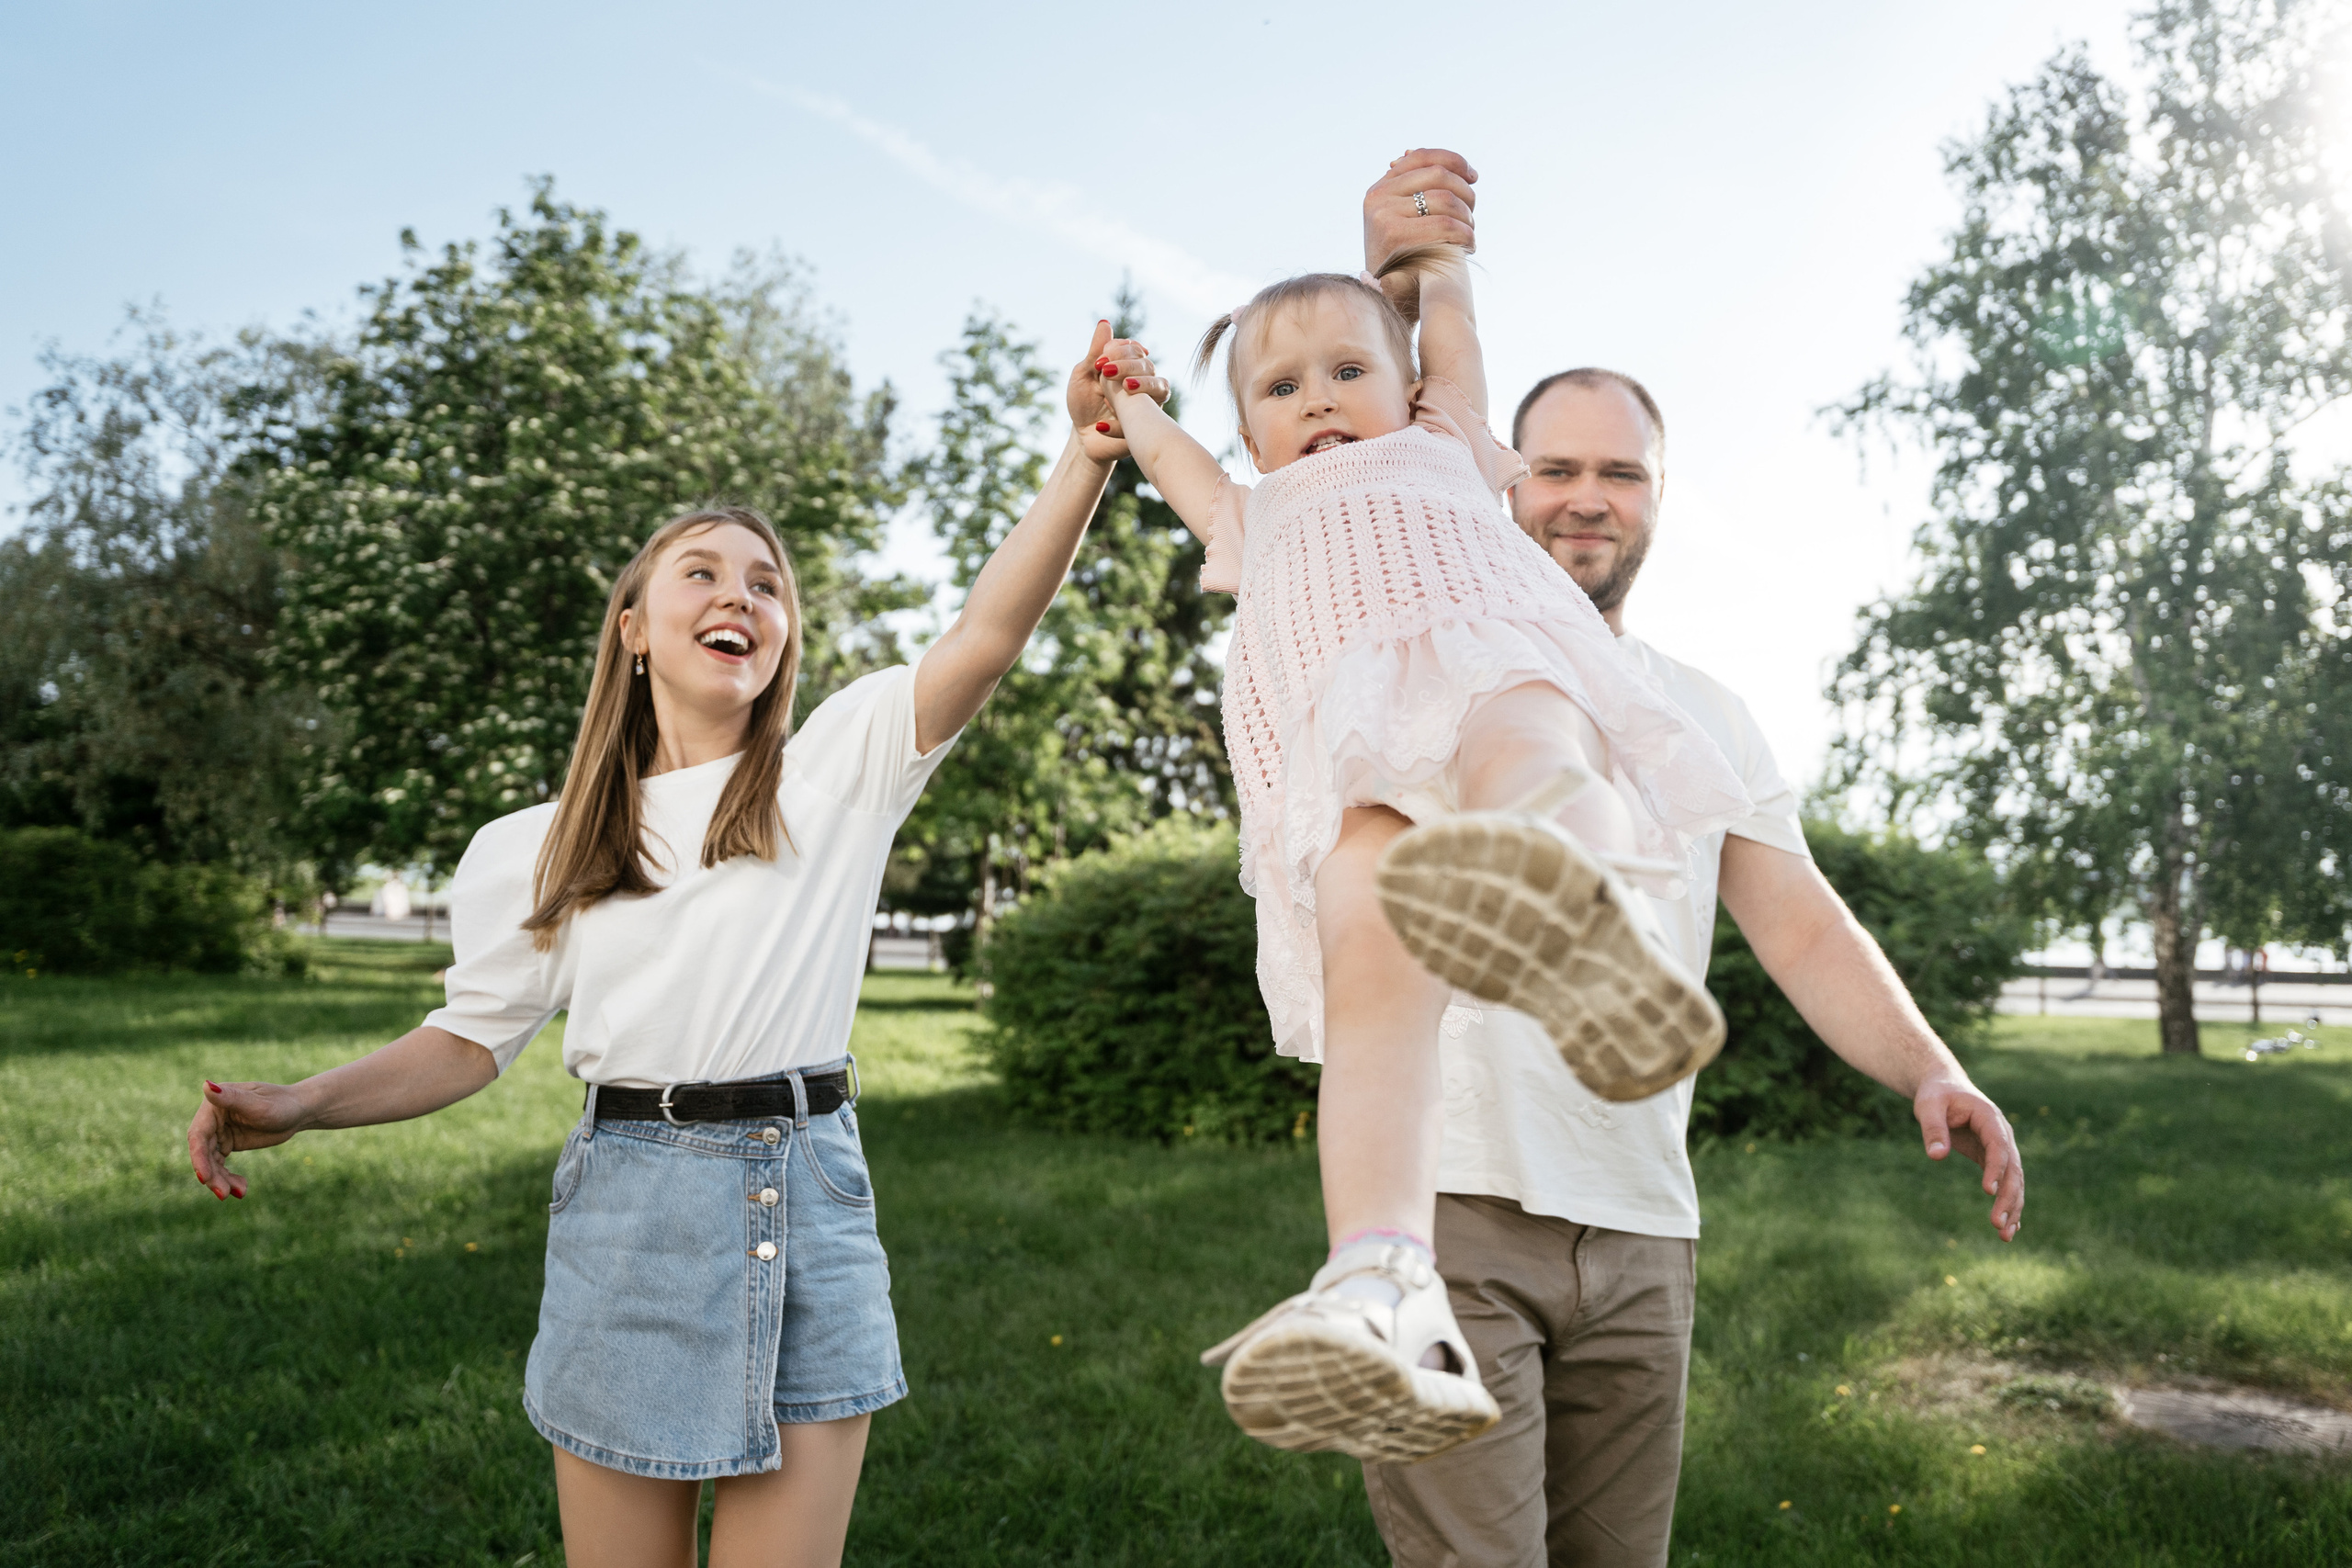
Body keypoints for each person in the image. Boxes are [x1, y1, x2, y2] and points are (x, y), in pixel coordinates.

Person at [184, 323, 1170, 1568]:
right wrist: (305, 1102)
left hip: (809, 1194)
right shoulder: (537, 847)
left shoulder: (841, 772)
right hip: (632, 1213)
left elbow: (986, 631)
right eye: (701, 573)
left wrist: (1083, 455)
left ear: (782, 639)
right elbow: (469, 1042)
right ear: (634, 627)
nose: (738, 596)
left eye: (765, 584)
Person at [1348, 150, 2028, 1567]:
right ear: (1498, 478)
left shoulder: (1703, 713)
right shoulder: (1422, 654)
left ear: (1658, 499)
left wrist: (1931, 1066)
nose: (1584, 499)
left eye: (1620, 475)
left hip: (1645, 1229)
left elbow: (1799, 924)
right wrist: (1403, 284)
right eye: (1553, 469)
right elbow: (1356, 446)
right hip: (1452, 1210)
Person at [1099, 221, 1757, 1461]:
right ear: (1249, 430)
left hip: (1486, 661)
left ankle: (1583, 910)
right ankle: (1384, 1281)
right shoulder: (1251, 510)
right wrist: (1123, 398)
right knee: (1370, 978)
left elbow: (1452, 326)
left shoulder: (1451, 442)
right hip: (1349, 767)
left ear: (1410, 385)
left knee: (1533, 754)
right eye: (1281, 388)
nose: (1321, 401)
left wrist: (1437, 273)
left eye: (1350, 369)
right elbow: (1165, 451)